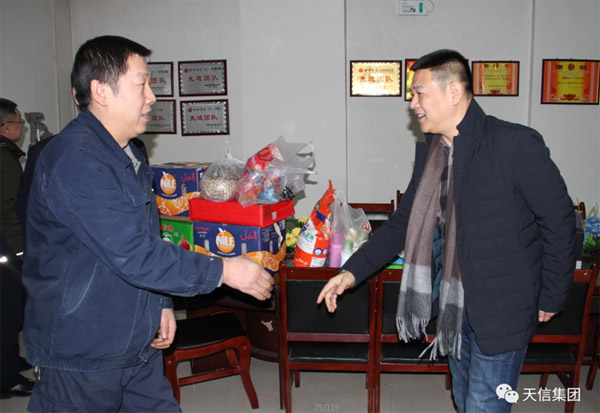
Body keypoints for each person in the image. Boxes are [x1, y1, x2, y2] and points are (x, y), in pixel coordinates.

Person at [22, 35, 273, 412]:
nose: (152, 96)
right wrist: (224, 270)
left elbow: (149, 235)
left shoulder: (130, 152)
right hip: (83, 351)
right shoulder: (75, 159)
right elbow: (133, 253)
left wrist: (161, 303)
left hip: (135, 339)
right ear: (101, 91)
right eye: (141, 84)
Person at [317, 49, 575, 412]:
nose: (413, 104)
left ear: (453, 92)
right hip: (455, 305)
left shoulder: (514, 144)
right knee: (463, 397)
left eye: (419, 93)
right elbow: (404, 223)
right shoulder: (433, 151)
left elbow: (560, 222)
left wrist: (552, 296)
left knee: (484, 405)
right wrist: (350, 273)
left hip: (504, 306)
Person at [0, 98, 34, 399]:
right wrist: (19, 251)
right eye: (19, 122)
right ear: (5, 126)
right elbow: (7, 210)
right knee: (8, 313)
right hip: (6, 249)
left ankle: (11, 361)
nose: (21, 127)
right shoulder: (4, 159)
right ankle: (6, 378)